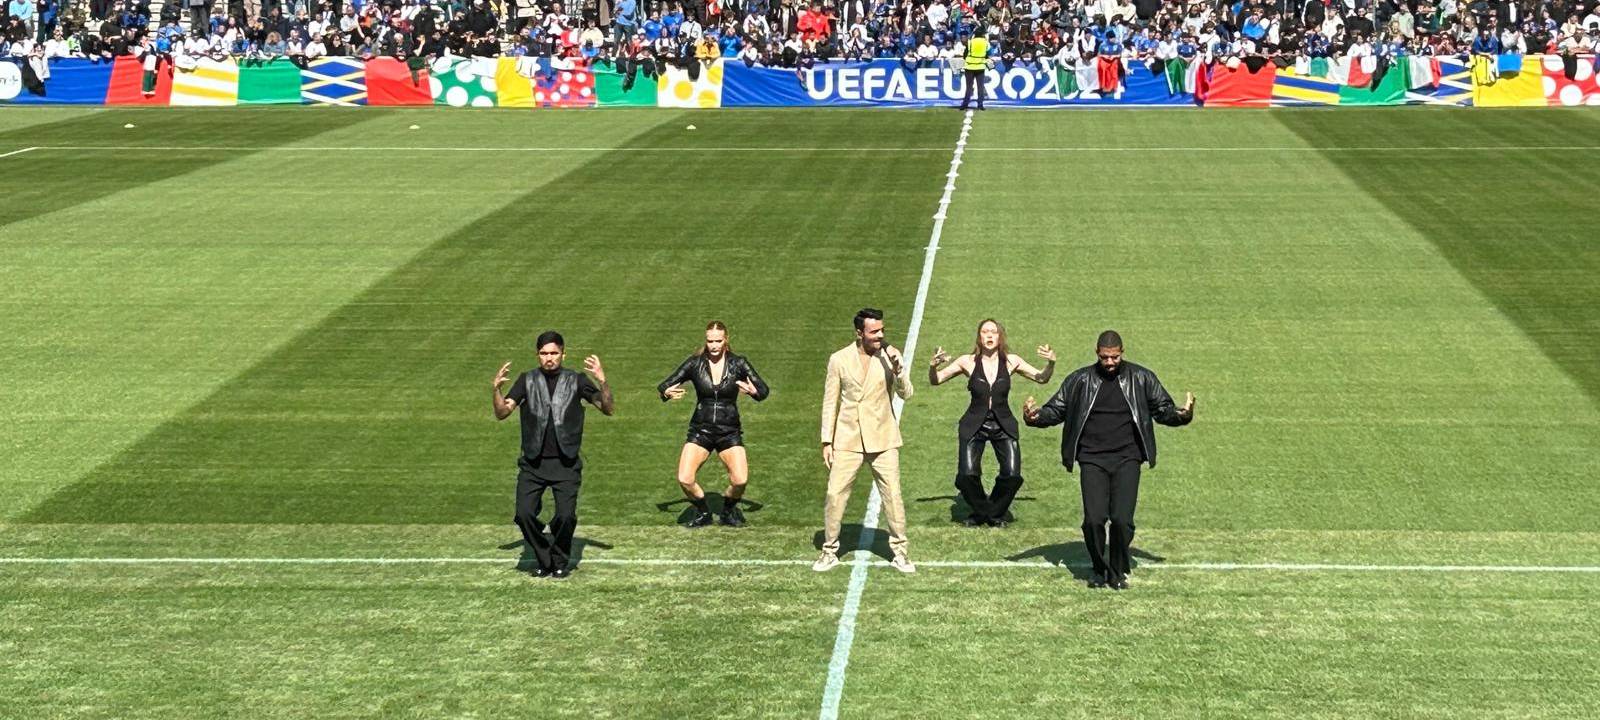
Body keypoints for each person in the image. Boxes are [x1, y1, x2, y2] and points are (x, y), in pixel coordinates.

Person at [1022, 330, 1194, 590]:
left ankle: (1116, 571)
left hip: (1128, 457)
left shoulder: (1142, 377)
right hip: (1091, 459)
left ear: (1122, 352)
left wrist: (1183, 414)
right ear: (1097, 353)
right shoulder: (1079, 380)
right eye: (1105, 357)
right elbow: (1056, 409)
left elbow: (1163, 410)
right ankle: (1099, 568)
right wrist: (1034, 417)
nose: (1110, 362)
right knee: (1094, 520)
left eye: (1114, 357)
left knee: (1122, 520)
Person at [491, 331, 615, 579]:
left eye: (554, 353)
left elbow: (607, 408)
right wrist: (496, 390)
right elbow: (503, 412)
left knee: (566, 517)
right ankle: (546, 558)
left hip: (565, 463)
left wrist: (602, 382)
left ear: (563, 354)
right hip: (532, 463)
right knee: (524, 514)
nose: (549, 358)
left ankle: (557, 560)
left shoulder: (576, 380)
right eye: (544, 353)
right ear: (537, 355)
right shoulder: (526, 380)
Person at [927, 319, 1056, 527]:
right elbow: (937, 380)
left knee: (1012, 475)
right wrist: (933, 367)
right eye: (985, 332)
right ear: (979, 337)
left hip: (1003, 423)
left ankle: (991, 512)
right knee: (967, 475)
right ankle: (986, 512)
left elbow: (1041, 378)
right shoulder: (967, 361)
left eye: (993, 332)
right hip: (974, 423)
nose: (989, 336)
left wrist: (1050, 363)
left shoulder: (1011, 361)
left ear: (999, 337)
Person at [816, 308, 916, 573]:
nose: (880, 336)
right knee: (835, 494)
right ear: (859, 333)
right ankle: (829, 551)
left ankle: (901, 552)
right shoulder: (839, 359)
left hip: (883, 438)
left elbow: (907, 394)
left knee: (893, 495)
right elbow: (830, 401)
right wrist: (827, 440)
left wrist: (899, 370)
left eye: (881, 330)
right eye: (874, 332)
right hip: (847, 439)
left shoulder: (889, 357)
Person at [656, 321, 772, 528]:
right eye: (710, 341)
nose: (714, 346)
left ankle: (727, 511)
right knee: (685, 477)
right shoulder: (694, 363)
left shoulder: (739, 363)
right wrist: (666, 392)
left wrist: (754, 392)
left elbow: (764, 390)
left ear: (726, 340)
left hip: (729, 431)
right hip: (701, 430)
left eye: (718, 341)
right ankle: (703, 512)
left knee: (740, 480)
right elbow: (665, 384)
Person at [958, 24, 991, 110]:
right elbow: (987, 54)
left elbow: (965, 55)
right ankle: (980, 105)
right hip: (980, 66)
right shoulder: (986, 43)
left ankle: (964, 104)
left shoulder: (970, 42)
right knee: (980, 86)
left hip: (970, 67)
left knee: (969, 87)